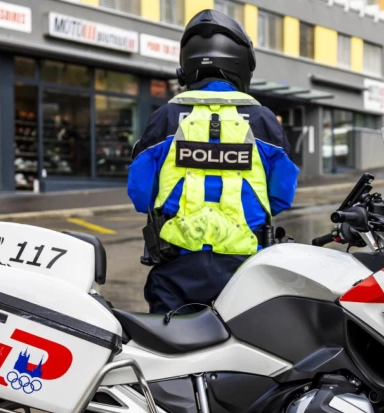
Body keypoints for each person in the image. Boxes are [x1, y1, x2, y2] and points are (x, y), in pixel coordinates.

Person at [128, 9, 299, 314]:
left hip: (176, 268)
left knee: (171, 352)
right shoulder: (262, 120)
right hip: (245, 270)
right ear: (241, 62)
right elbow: (282, 195)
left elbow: (140, 194)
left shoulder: (166, 117)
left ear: (188, 63)